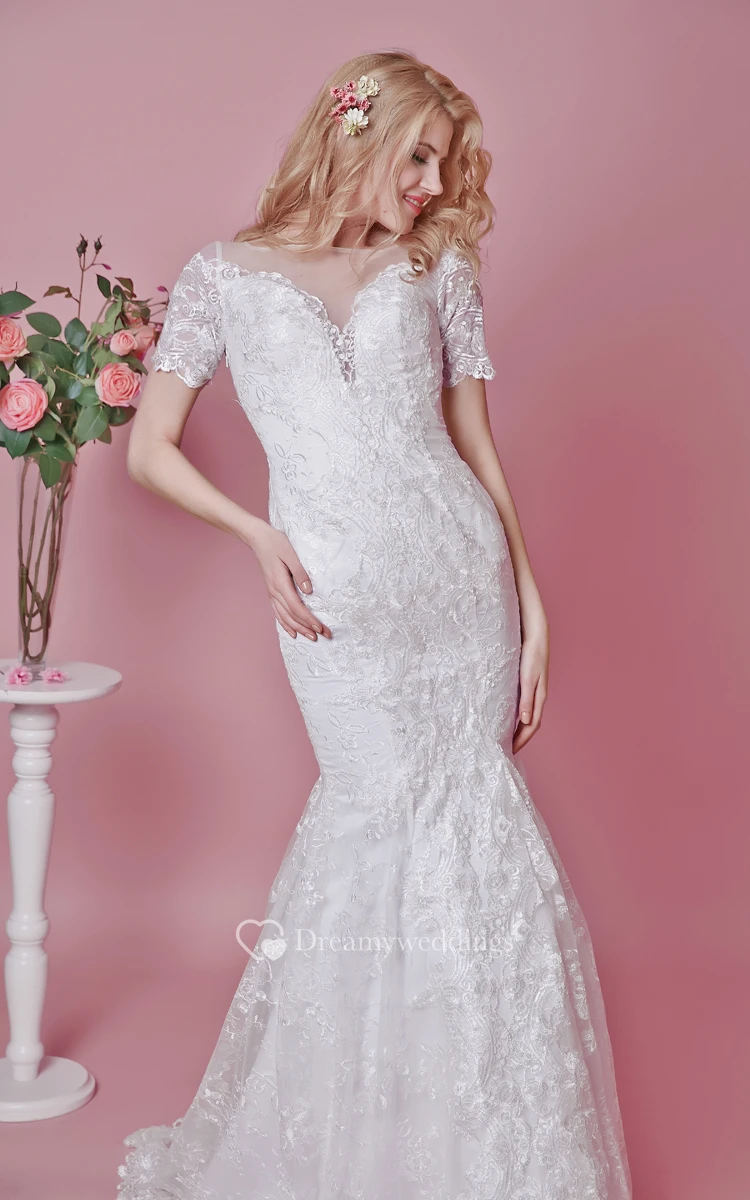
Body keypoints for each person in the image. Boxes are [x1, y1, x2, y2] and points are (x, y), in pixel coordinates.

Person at [117, 49, 633, 1200]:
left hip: (459, 588)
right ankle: (361, 1140)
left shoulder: (436, 267)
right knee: (374, 821)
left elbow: (476, 444)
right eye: (420, 157)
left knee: (472, 834)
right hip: (339, 603)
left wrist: (531, 598)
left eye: (443, 165)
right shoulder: (224, 275)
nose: (433, 185)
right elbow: (149, 449)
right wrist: (255, 534)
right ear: (360, 131)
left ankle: (492, 1148)